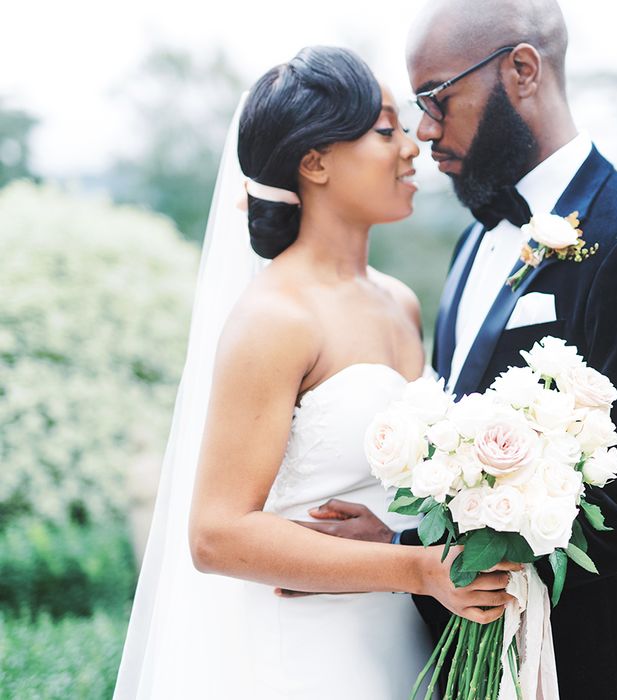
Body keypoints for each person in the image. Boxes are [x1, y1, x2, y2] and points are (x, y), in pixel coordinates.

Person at [299, 3, 617, 698]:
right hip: (469, 664)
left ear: (521, 70)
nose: (424, 129)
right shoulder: (475, 239)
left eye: (437, 98)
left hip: (595, 672)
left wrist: (407, 556)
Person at [113, 46, 520, 700]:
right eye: (386, 129)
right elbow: (217, 535)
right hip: (304, 655)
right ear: (315, 162)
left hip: (402, 642)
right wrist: (416, 566)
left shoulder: (399, 302)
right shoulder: (275, 317)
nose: (412, 146)